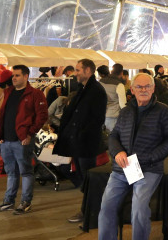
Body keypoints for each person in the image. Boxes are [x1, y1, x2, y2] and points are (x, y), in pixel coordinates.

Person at [98, 73, 168, 240]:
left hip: (149, 169)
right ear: (132, 90)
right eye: (139, 87)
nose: (144, 90)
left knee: (139, 208)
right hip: (123, 169)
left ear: (153, 88)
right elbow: (113, 136)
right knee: (106, 206)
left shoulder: (164, 111)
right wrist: (118, 152)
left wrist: (150, 157)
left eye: (147, 86)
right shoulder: (126, 111)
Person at [54, 59, 108, 224]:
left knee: (89, 180)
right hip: (78, 142)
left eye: (78, 70)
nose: (75, 73)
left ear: (88, 71)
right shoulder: (84, 89)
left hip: (86, 144)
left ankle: (91, 213)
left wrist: (80, 135)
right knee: (84, 179)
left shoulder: (96, 91)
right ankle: (89, 211)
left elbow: (96, 120)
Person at [0, 65, 48, 215]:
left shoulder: (35, 94)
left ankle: (25, 202)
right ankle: (8, 201)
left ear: (26, 76)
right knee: (11, 172)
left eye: (17, 75)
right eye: (13, 76)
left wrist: (29, 134)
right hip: (7, 140)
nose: (13, 78)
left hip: (22, 140)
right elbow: (3, 114)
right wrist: (1, 135)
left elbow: (42, 116)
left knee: (26, 172)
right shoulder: (8, 92)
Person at [97, 65, 126, 132]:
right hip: (113, 117)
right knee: (111, 138)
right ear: (121, 73)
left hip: (101, 114)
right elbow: (123, 105)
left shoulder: (101, 82)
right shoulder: (119, 84)